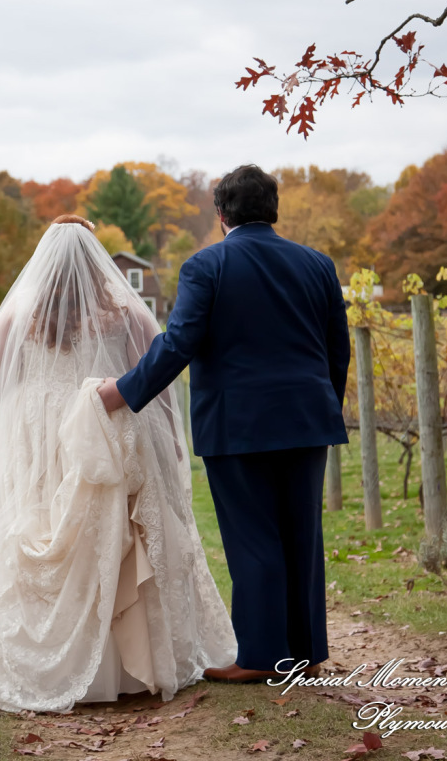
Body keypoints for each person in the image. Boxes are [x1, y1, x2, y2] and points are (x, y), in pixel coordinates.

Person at [0, 215, 236, 713]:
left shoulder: (15, 316)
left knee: (37, 527)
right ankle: (124, 665)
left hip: (33, 437)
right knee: (109, 535)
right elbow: (160, 383)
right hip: (106, 429)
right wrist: (167, 446)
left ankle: (43, 663)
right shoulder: (127, 314)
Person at [97, 165, 350, 683]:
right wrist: (323, 405)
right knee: (302, 535)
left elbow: (180, 341)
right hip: (307, 418)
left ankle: (261, 657)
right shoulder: (318, 265)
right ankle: (307, 653)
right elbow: (337, 349)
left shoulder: (206, 266)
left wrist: (123, 391)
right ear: (273, 209)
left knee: (254, 536)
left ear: (220, 215)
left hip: (239, 424)